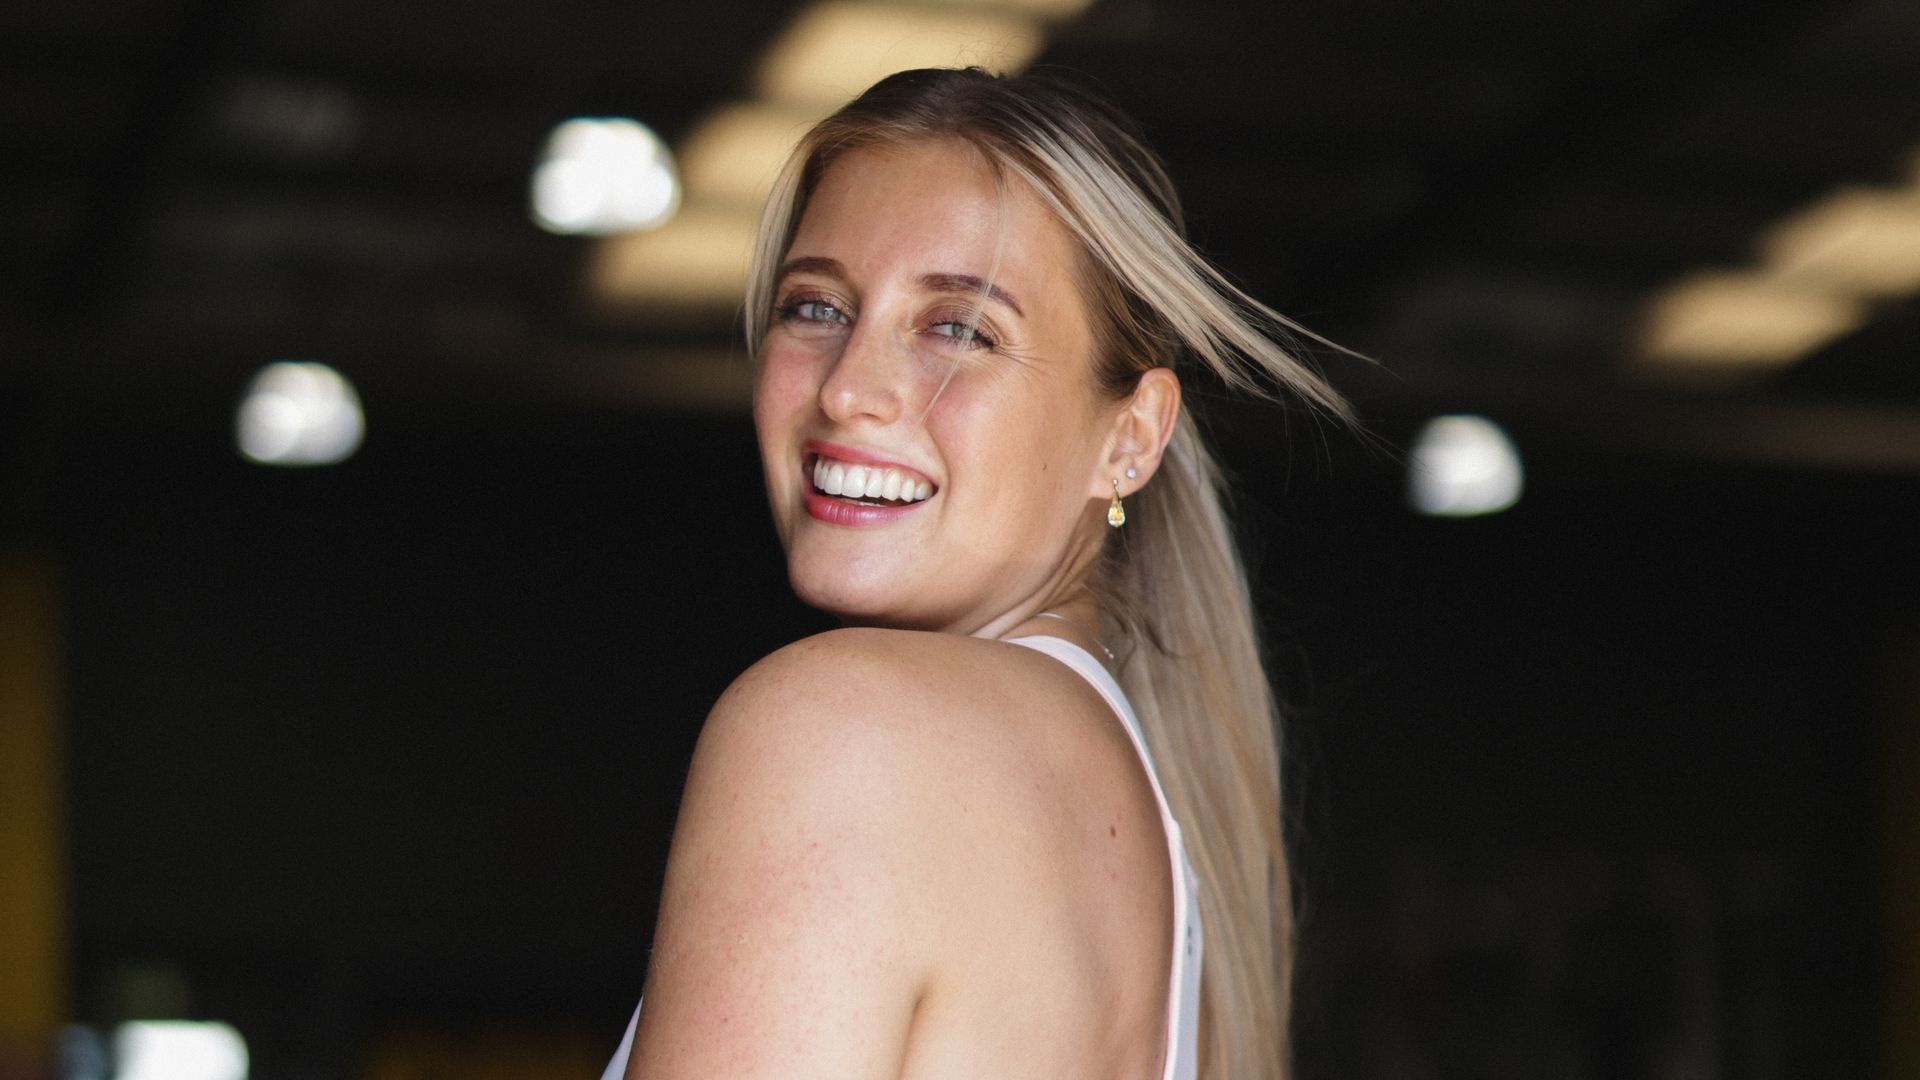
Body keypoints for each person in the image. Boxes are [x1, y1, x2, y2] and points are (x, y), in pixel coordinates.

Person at [601, 67, 1350, 1080]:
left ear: (1131, 439)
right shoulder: (1156, 866)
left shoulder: (839, 728)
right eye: (815, 306)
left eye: (958, 328)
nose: (851, 390)